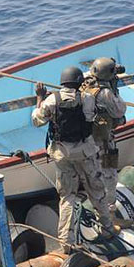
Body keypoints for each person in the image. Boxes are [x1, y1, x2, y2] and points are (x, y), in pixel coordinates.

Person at [31, 66, 115, 251]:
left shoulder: (52, 100)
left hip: (62, 154)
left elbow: (36, 120)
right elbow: (90, 116)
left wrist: (40, 98)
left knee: (67, 196)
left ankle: (65, 242)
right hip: (85, 152)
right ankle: (107, 229)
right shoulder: (87, 98)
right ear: (78, 82)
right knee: (96, 190)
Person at [84, 57, 127, 213]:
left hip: (87, 140)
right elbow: (120, 110)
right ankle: (109, 211)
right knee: (110, 177)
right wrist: (114, 90)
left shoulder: (85, 84)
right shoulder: (105, 93)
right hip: (103, 142)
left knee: (92, 176)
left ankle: (95, 205)